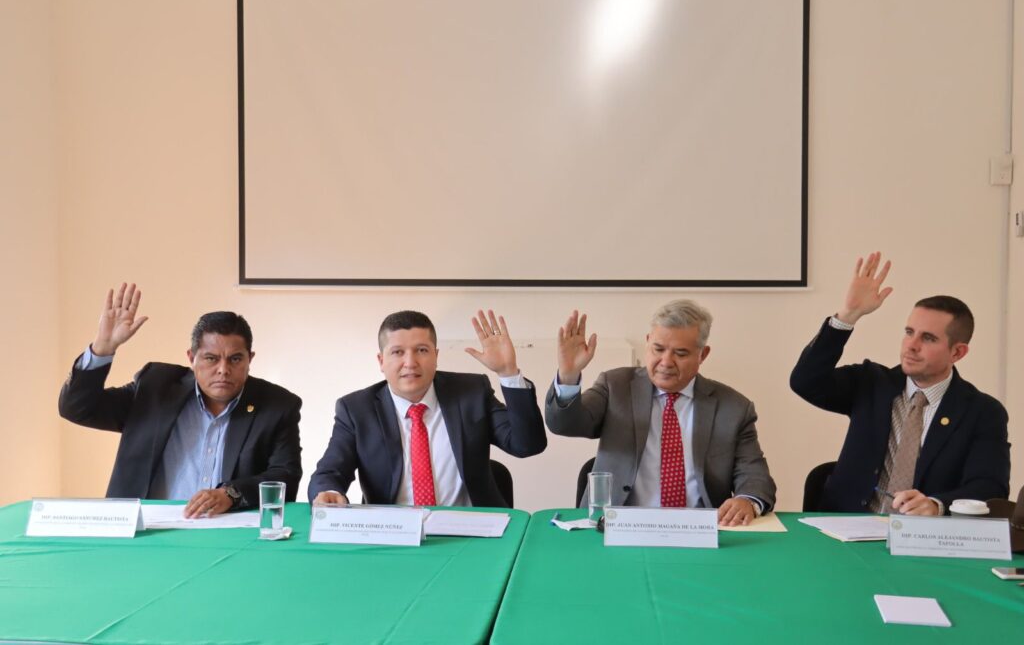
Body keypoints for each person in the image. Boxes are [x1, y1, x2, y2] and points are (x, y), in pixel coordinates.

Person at [789, 252, 1010, 515]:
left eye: (928, 338)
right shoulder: (871, 383)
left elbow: (990, 486)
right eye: (909, 332)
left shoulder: (982, 412)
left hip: (924, 533)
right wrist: (847, 316)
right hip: (849, 528)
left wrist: (936, 505)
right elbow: (805, 382)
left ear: (957, 352)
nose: (911, 346)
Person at [58, 283, 302, 518]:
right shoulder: (157, 388)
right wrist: (103, 348)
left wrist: (231, 494)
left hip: (227, 531)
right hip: (149, 528)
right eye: (211, 358)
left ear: (250, 359)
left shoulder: (277, 405)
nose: (223, 369)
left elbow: (286, 476)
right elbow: (77, 408)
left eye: (235, 359)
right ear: (191, 358)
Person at [545, 301, 776, 527]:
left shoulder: (733, 408)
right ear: (648, 342)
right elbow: (565, 424)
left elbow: (754, 475)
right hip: (621, 526)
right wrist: (568, 376)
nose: (666, 362)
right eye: (658, 349)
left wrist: (747, 500)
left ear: (703, 355)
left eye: (681, 353)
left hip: (699, 529)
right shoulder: (616, 386)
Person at [308, 309, 546, 507]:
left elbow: (527, 445)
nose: (410, 363)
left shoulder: (471, 392)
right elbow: (329, 472)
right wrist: (329, 492)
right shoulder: (356, 409)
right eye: (398, 352)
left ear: (436, 356)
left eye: (422, 350)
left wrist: (508, 373)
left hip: (471, 531)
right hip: (394, 533)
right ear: (381, 361)